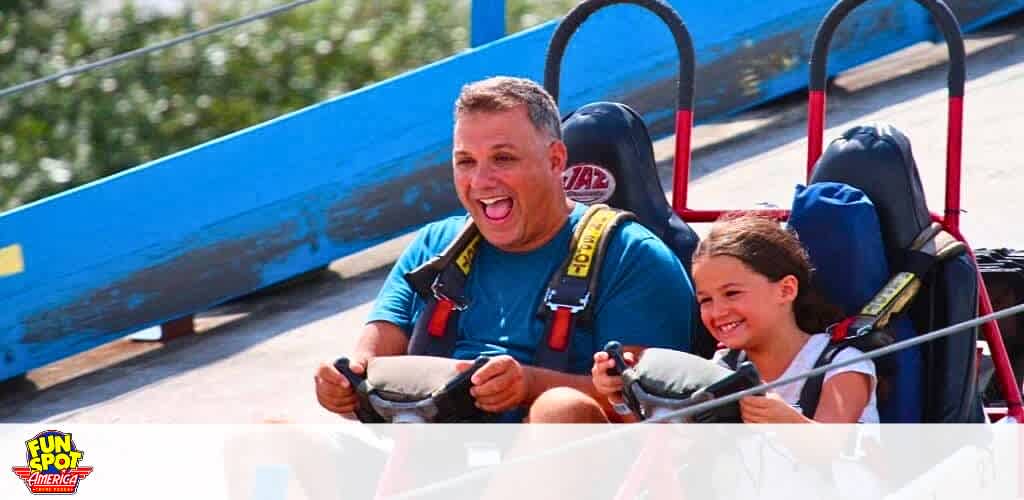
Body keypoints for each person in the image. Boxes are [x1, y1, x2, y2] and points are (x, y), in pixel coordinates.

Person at [314, 76, 694, 423]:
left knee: (560, 410)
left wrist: (529, 385)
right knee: (278, 434)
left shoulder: (633, 257)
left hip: (566, 466)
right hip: (428, 456)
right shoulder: (434, 248)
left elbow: (643, 408)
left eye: (503, 158)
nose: (481, 180)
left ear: (555, 160)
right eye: (466, 162)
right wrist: (340, 384)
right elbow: (370, 365)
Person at [584, 213, 878, 423]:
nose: (718, 311)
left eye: (732, 293)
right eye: (706, 300)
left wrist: (789, 426)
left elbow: (835, 450)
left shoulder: (841, 364)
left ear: (786, 290)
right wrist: (623, 396)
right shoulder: (723, 367)